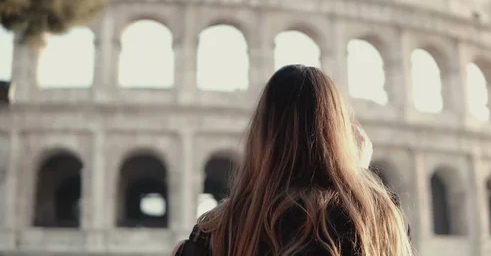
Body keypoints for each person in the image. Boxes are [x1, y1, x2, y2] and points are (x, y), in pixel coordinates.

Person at [172, 65, 413, 256]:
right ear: (341, 134)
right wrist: (358, 176)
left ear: (261, 134)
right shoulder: (376, 220)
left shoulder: (218, 229)